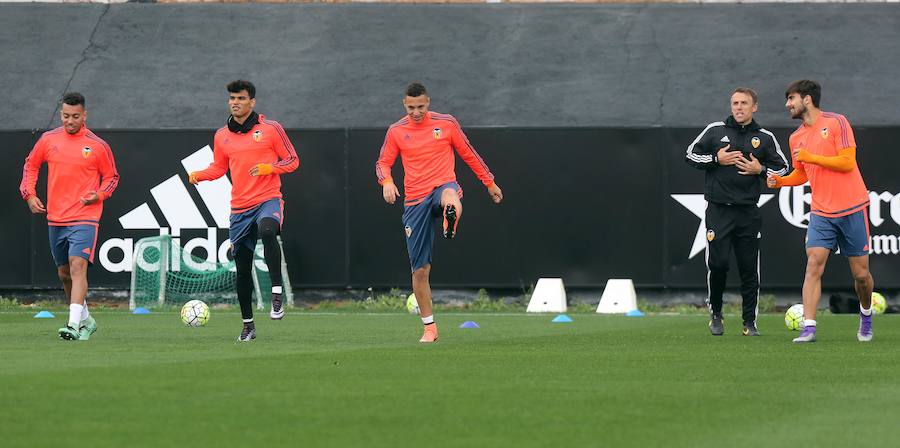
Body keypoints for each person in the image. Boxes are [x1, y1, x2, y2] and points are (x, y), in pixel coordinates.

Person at [375, 82, 503, 343]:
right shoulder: (397, 131)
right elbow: (383, 163)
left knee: (450, 195)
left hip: (442, 185)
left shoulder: (446, 124)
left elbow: (469, 153)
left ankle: (449, 221)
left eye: (421, 106)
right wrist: (386, 182)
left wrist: (489, 182)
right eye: (411, 107)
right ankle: (429, 328)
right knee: (420, 272)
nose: (416, 112)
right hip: (414, 201)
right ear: (404, 105)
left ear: (428, 102)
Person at [190, 80, 299, 342]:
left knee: (268, 230)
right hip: (239, 208)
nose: (235, 102)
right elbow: (219, 168)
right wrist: (200, 175)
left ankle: (275, 293)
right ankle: (248, 326)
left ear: (252, 102)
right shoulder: (222, 135)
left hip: (267, 198)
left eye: (240, 98)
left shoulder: (271, 129)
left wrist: (268, 168)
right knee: (242, 268)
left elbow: (293, 161)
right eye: (232, 98)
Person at [767, 79, 874, 343]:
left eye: (791, 98)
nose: (787, 104)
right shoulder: (795, 137)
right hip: (821, 212)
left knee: (861, 276)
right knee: (813, 265)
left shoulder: (837, 122)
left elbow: (847, 162)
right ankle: (809, 328)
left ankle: (866, 313)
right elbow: (801, 174)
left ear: (807, 99)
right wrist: (781, 181)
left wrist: (812, 157)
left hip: (852, 207)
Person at [685, 87, 789, 336]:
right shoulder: (715, 130)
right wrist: (715, 159)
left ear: (755, 107)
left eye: (744, 103)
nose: (739, 107)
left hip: (748, 213)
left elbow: (784, 170)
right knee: (718, 264)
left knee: (749, 268)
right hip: (718, 211)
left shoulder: (764, 137)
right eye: (735, 103)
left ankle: (749, 323)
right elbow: (690, 155)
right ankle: (716, 314)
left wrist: (760, 171)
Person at [19, 92, 119, 341]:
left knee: (77, 266)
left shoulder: (97, 145)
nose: (70, 121)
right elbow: (31, 165)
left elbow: (112, 178)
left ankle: (73, 324)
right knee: (64, 274)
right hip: (56, 218)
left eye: (75, 116)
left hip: (85, 217)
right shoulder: (48, 139)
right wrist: (29, 195)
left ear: (84, 115)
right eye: (65, 116)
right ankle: (86, 320)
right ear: (61, 114)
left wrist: (98, 195)